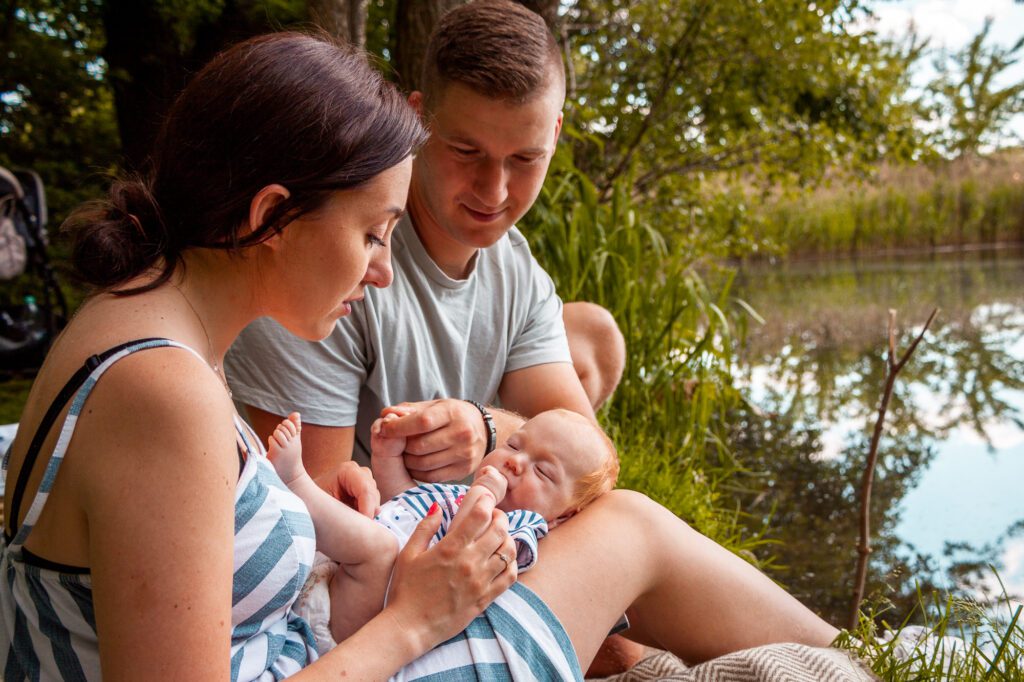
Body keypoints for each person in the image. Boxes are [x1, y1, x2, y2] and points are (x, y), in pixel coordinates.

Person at [0, 28, 840, 682]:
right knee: (630, 533)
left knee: (622, 522)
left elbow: (586, 450)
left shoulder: (144, 318)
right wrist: (416, 618)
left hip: (309, 643)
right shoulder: (162, 390)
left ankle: (865, 648)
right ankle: (873, 652)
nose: (379, 267)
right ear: (273, 216)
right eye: (371, 232)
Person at [224, 0, 626, 486]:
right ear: (417, 119)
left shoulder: (517, 266)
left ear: (554, 135)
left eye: (524, 158)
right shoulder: (332, 255)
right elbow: (316, 512)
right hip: (371, 537)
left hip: (456, 508)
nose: (493, 190)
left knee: (597, 335)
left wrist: (488, 427)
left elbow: (592, 461)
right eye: (465, 151)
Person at [266, 408, 619, 649]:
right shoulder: (460, 494)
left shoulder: (522, 527)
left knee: (379, 548)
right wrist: (388, 457)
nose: (515, 461)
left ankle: (295, 484)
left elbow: (473, 549)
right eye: (515, 444)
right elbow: (406, 504)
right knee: (369, 512)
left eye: (542, 472)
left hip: (358, 619)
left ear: (561, 518)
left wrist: (484, 495)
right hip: (331, 582)